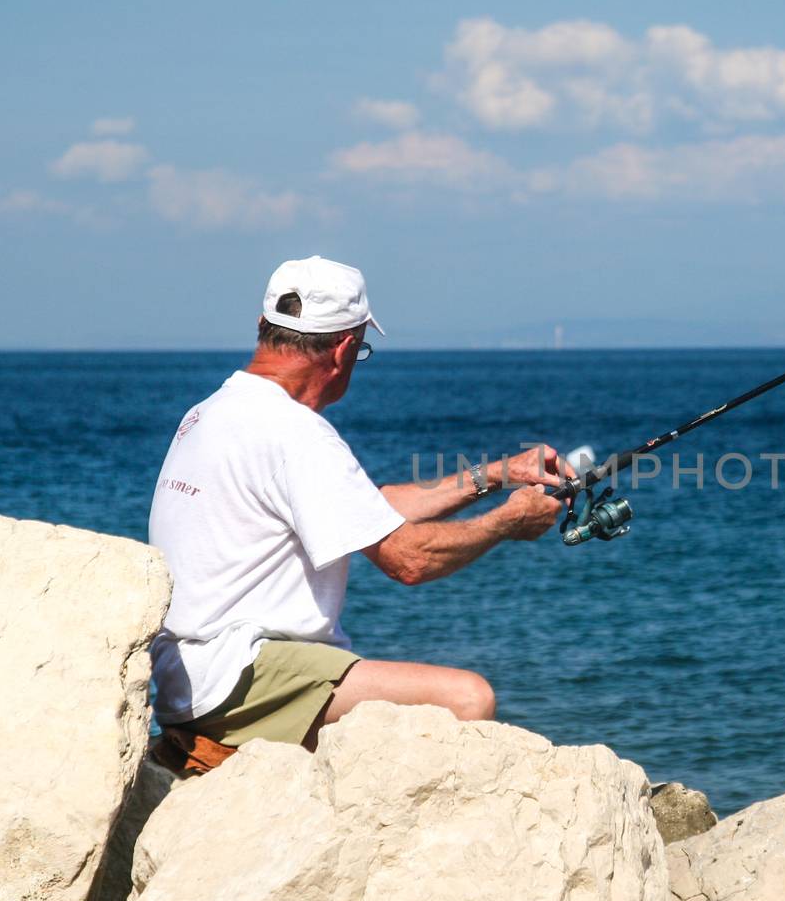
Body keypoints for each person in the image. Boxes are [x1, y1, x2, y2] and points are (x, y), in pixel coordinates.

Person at [147, 255, 569, 757]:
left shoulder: (214, 411)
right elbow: (409, 560)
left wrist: (498, 474)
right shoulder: (294, 433)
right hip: (237, 677)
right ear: (345, 348)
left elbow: (372, 510)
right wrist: (508, 522)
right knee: (466, 699)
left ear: (264, 327)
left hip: (187, 677)